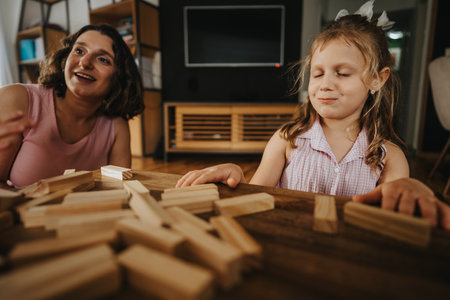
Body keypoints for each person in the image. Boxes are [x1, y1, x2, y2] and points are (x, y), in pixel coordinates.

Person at [176, 1, 450, 230]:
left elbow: (397, 214)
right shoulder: (287, 139)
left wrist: (413, 190)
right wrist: (236, 178)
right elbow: (256, 196)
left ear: (378, 79)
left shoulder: (390, 157)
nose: (325, 83)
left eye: (342, 73)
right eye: (318, 73)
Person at [0, 24, 144, 187]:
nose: (85, 63)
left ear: (119, 77)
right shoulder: (16, 99)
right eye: (79, 51)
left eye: (103, 59)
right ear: (65, 58)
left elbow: (120, 191)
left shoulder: (117, 127)